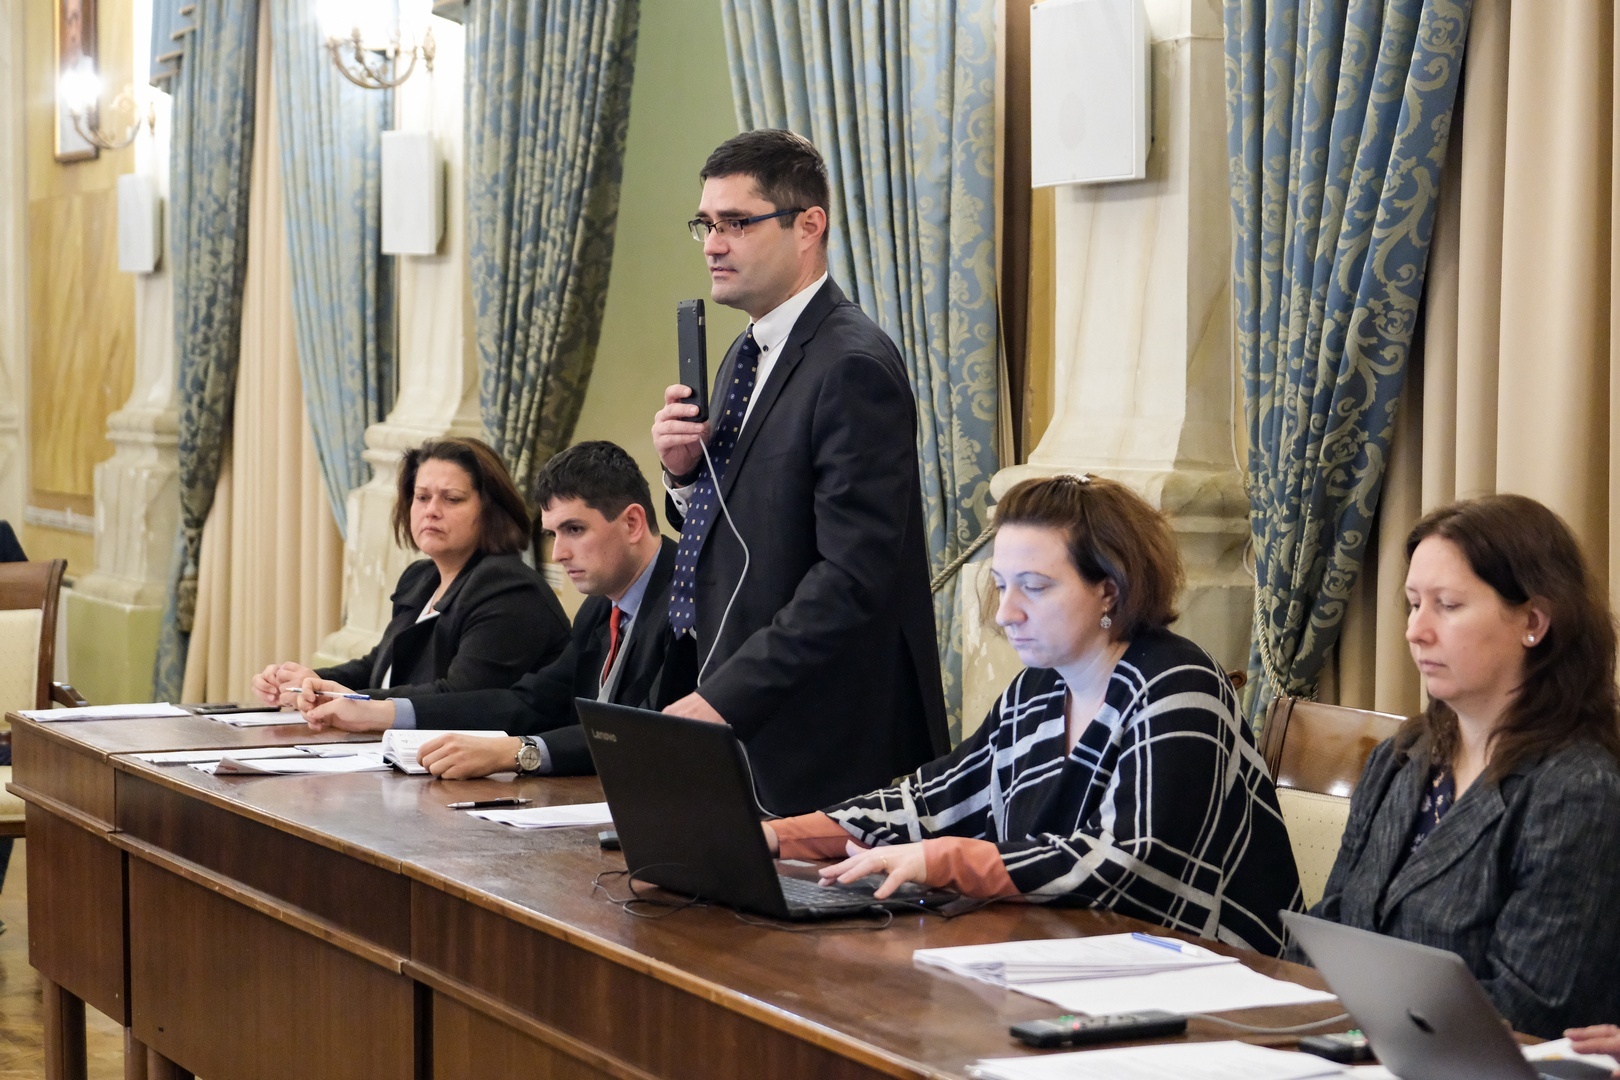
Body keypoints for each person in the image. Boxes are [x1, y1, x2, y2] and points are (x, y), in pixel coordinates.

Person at [764, 475, 1303, 956]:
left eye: (1035, 587)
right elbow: (931, 802)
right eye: (1002, 585)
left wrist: (950, 859)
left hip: (1218, 975)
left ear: (1108, 590)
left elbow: (1130, 865)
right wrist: (771, 837)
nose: (1006, 613)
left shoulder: (1180, 683)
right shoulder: (1038, 687)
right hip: (1071, 956)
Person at [649, 128, 947, 815]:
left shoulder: (851, 365)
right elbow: (745, 528)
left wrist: (726, 698)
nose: (713, 245)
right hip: (742, 716)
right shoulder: (746, 352)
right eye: (706, 224)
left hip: (824, 741)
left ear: (808, 226)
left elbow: (851, 578)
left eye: (736, 223)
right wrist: (685, 475)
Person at [1308, 494, 1620, 1038]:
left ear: (1533, 622)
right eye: (1414, 604)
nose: (1416, 630)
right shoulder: (1401, 757)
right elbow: (1328, 930)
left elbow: (1531, 1009)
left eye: (1447, 605)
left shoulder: (1578, 788)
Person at [295, 441, 675, 777]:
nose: (558, 554)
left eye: (574, 529)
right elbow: (530, 702)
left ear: (632, 523)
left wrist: (518, 752)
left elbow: (646, 730)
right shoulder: (599, 607)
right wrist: (376, 710)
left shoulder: (687, 604)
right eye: (552, 534)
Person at [252, 437, 568, 707]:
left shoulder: (507, 588)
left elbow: (461, 697)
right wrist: (307, 682)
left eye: (452, 499)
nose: (431, 510)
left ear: (491, 510)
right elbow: (379, 667)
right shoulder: (421, 578)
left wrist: (346, 700)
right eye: (422, 497)